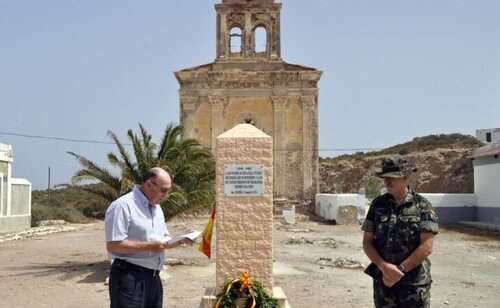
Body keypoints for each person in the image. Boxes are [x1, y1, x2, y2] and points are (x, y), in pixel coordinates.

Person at [105, 167, 193, 308]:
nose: (166, 195)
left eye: (168, 190)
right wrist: (149, 246)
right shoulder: (123, 206)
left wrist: (181, 240)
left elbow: (162, 241)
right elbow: (114, 245)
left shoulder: (157, 209)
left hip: (153, 279)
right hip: (129, 278)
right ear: (149, 184)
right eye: (163, 190)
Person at [362, 155, 439, 308]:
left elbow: (427, 246)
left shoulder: (422, 205)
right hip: (384, 281)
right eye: (385, 177)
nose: (387, 181)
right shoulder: (378, 205)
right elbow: (367, 241)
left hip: (413, 283)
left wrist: (399, 271)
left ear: (405, 178)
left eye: (393, 177)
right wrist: (384, 267)